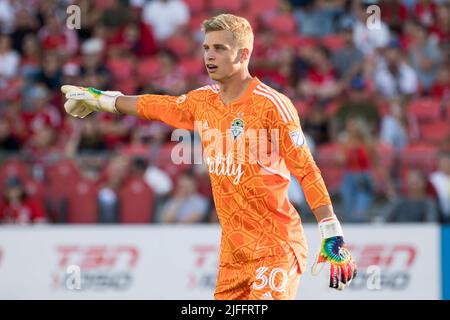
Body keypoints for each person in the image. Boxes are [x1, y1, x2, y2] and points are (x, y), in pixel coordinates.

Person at [60, 14, 356, 300]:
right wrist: (103, 99)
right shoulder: (203, 101)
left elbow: (306, 169)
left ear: (243, 54)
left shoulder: (272, 106)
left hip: (275, 244)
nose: (209, 56)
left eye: (219, 48)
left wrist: (331, 231)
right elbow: (157, 106)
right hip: (233, 251)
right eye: (206, 48)